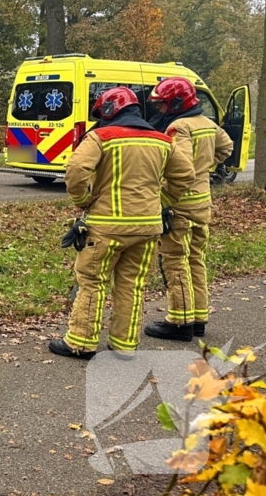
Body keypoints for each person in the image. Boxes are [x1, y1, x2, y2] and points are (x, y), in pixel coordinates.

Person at [50, 87, 194, 360]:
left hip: (106, 227)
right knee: (132, 285)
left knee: (92, 281)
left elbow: (77, 170)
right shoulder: (163, 140)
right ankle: (124, 346)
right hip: (149, 228)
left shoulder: (101, 137)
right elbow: (185, 174)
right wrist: (162, 199)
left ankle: (81, 342)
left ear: (108, 111)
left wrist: (83, 200)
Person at [143, 78, 233, 341]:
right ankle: (198, 319)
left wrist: (164, 199)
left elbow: (180, 167)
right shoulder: (207, 123)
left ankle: (180, 322)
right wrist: (206, 166)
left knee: (175, 261)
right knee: (196, 260)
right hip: (202, 202)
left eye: (162, 104)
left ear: (176, 102)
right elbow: (226, 147)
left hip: (180, 204)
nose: (159, 110)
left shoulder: (179, 126)